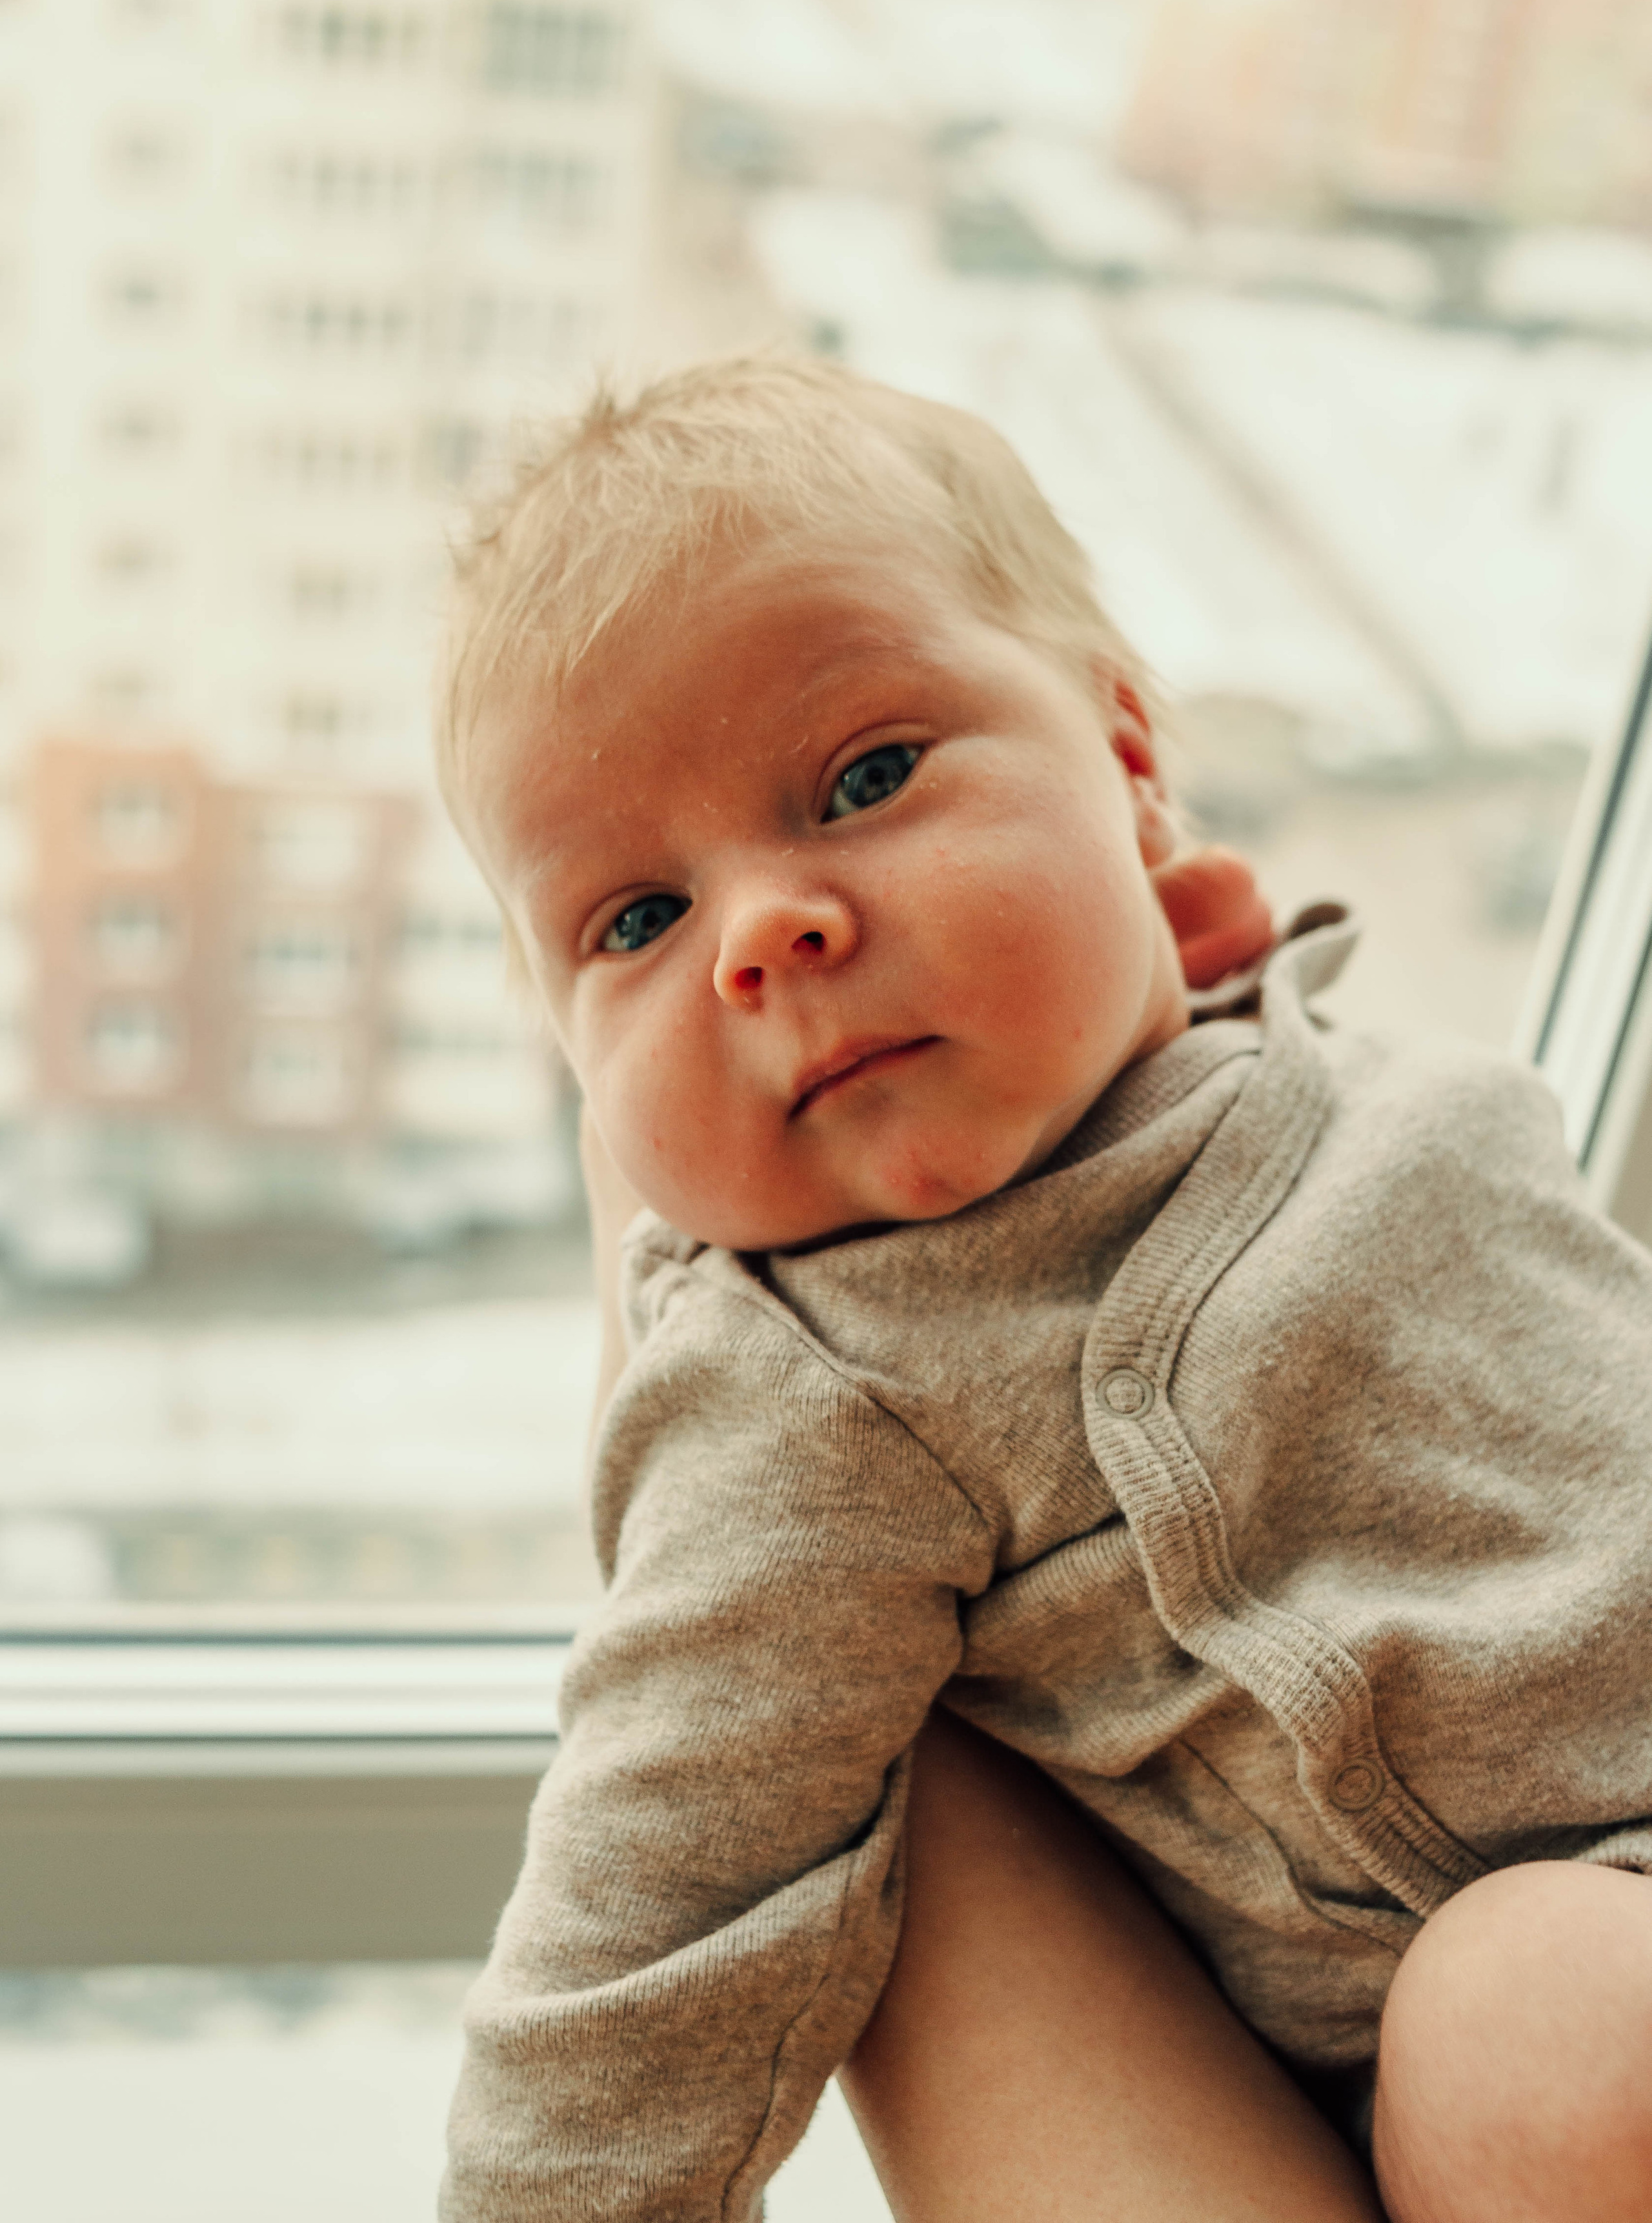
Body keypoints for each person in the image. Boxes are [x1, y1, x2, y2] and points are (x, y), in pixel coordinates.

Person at [435, 353, 1652, 2223]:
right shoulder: (810, 1388)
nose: (765, 932)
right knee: (1535, 2029)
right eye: (637, 922)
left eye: (864, 776)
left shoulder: (1312, 1044)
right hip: (1563, 1970)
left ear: (1135, 770)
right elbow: (647, 1933)